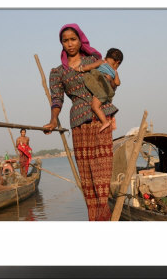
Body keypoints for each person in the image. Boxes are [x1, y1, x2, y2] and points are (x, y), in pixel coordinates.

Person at [43, 23, 118, 221]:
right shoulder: (58, 72)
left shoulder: (93, 60)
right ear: (61, 43)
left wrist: (110, 108)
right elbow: (57, 99)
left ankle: (104, 217)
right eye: (65, 40)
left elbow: (109, 85)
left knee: (102, 171)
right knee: (87, 177)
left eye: (73, 39)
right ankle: (93, 218)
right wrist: (52, 121)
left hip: (101, 116)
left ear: (80, 39)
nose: (70, 44)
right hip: (79, 122)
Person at [75, 48, 123, 133]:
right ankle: (104, 79)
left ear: (106, 57)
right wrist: (113, 76)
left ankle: (105, 122)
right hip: (107, 89)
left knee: (94, 106)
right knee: (103, 84)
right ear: (117, 62)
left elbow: (90, 66)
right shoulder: (115, 71)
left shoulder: (102, 62)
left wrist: (80, 69)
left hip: (100, 88)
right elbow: (117, 83)